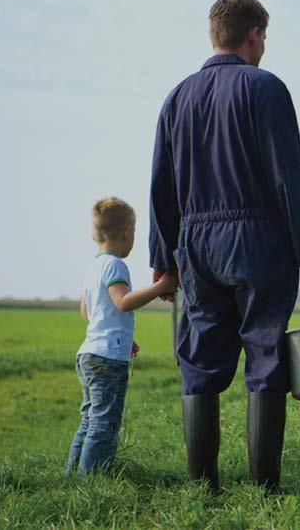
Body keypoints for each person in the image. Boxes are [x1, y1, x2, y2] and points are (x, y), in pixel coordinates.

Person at [149, 0, 300, 493]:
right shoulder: (266, 89)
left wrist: (165, 262)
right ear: (254, 34)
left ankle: (202, 486)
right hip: (258, 237)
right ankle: (265, 486)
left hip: (196, 243)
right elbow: (287, 176)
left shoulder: (177, 97)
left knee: (200, 358)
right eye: (264, 36)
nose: (265, 46)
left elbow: (161, 187)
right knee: (266, 352)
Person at [65, 197, 176, 478]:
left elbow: (87, 310)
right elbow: (123, 301)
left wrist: (123, 334)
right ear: (128, 232)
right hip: (106, 358)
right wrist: (161, 286)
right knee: (104, 422)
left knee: (90, 419)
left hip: (88, 352)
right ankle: (91, 480)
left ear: (95, 233)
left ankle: (73, 474)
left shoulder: (93, 266)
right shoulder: (115, 265)